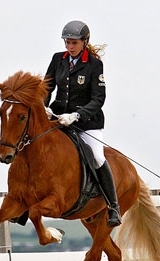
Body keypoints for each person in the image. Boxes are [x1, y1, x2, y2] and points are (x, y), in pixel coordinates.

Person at [44, 20, 121, 228]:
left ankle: (113, 206)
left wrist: (76, 115)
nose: (69, 47)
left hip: (87, 123)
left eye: (74, 43)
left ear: (84, 42)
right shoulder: (57, 59)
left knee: (96, 156)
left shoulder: (95, 65)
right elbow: (47, 87)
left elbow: (98, 99)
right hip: (58, 118)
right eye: (67, 42)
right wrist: (44, 107)